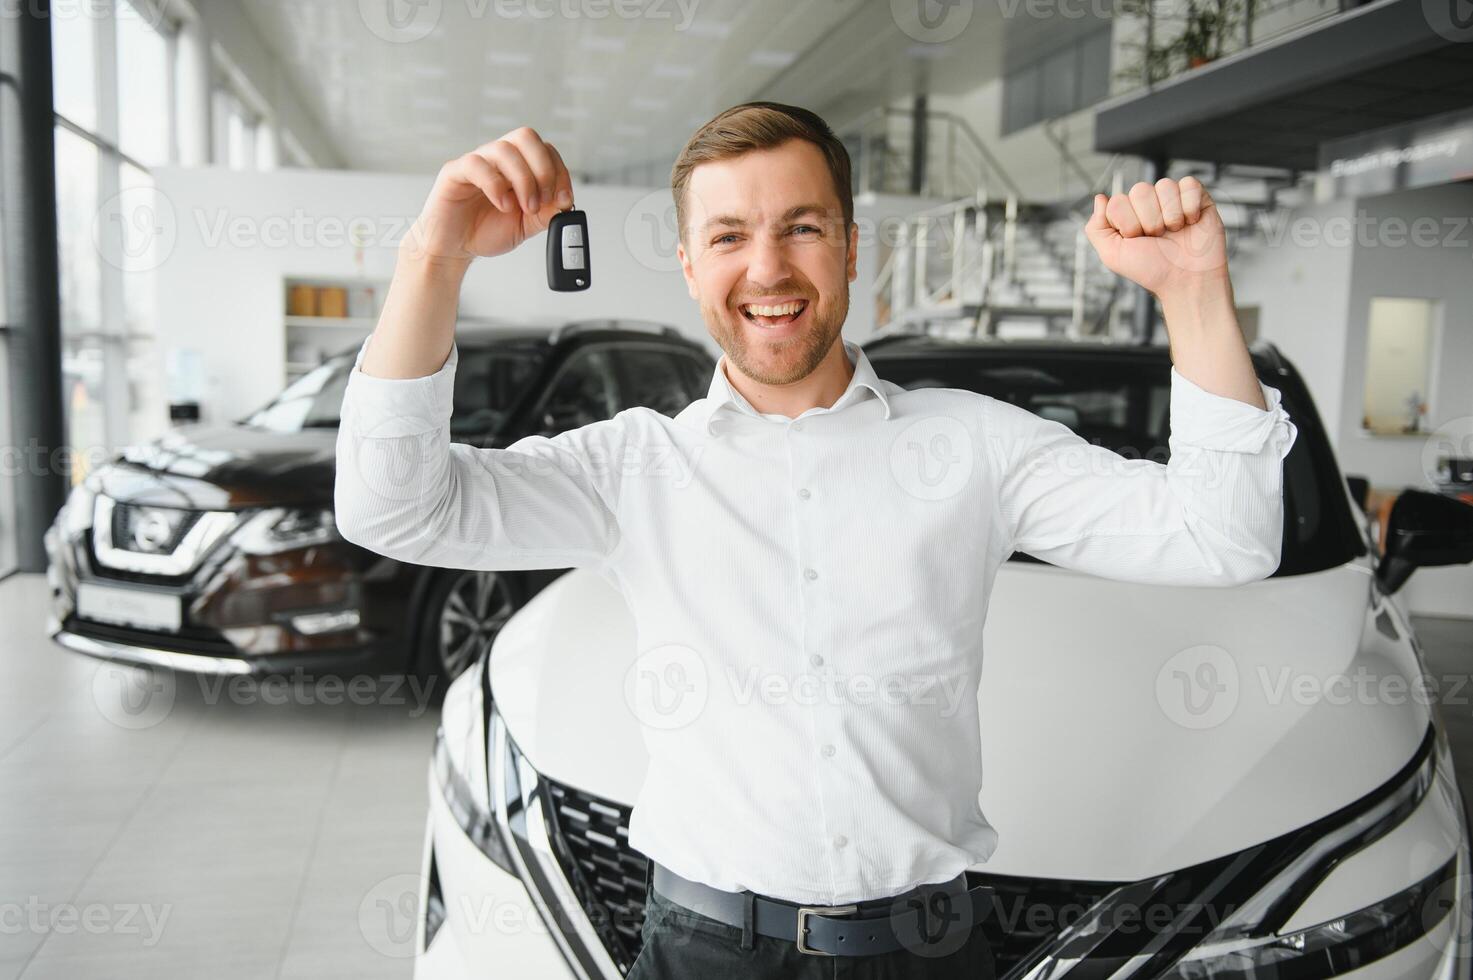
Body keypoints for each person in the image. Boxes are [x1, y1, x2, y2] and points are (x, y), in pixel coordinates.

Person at [334, 102, 1297, 979]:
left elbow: (1223, 539)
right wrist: (435, 255)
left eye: (801, 226)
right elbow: (394, 509)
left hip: (926, 955)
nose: (767, 270)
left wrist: (1193, 290)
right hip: (702, 952)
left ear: (848, 245)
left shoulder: (973, 445)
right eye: (727, 237)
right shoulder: (632, 468)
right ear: (687, 263)